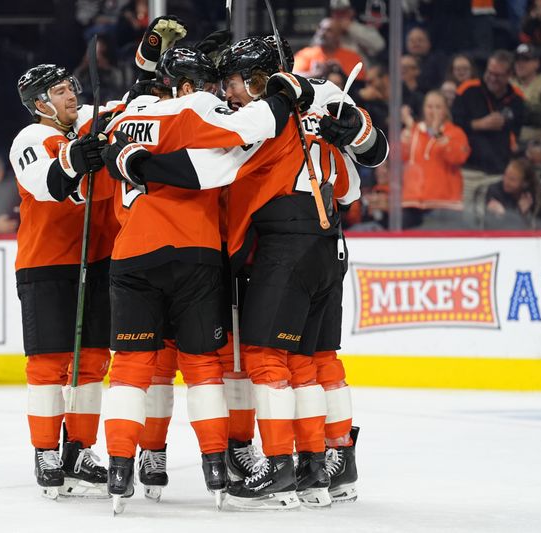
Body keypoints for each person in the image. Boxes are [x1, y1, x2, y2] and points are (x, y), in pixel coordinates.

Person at [103, 36, 388, 509]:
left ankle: (279, 466)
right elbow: (363, 171)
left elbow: (208, 169)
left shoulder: (260, 119)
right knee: (315, 358)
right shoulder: (325, 96)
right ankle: (328, 465)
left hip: (280, 245)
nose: (226, 93)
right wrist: (353, 131)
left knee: (264, 357)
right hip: (329, 241)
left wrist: (133, 163)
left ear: (257, 80)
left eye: (232, 82)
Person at [9, 61, 123, 500]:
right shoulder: (31, 138)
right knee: (49, 364)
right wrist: (78, 156)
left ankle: (78, 450)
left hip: (97, 261)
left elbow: (125, 108)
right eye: (59, 91)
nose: (71, 95)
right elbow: (49, 184)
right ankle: (45, 451)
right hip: (47, 263)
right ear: (40, 104)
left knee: (91, 362)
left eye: (70, 87)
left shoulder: (84, 123)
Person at [452, 49, 525, 221]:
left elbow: (516, 132)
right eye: (489, 72)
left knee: (493, 222)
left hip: (497, 172)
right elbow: (453, 125)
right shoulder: (467, 90)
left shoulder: (517, 99)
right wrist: (478, 124)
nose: (492, 78)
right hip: (469, 170)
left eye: (498, 75)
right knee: (464, 221)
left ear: (509, 75)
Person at [401, 91, 471, 229]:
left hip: (445, 204)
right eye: (429, 107)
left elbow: (459, 158)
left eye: (438, 107)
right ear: (423, 109)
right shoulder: (413, 131)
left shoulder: (455, 133)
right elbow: (398, 159)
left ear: (446, 110)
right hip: (412, 202)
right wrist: (406, 134)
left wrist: (437, 132)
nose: (433, 111)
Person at [293, 17, 365, 81]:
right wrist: (315, 74)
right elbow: (292, 77)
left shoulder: (351, 56)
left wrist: (341, 73)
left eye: (328, 30)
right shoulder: (306, 54)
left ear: (338, 35)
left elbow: (360, 83)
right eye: (320, 29)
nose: (322, 33)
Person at [484, 157, 541, 229]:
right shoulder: (495, 191)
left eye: (512, 179)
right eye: (505, 175)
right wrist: (519, 212)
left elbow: (540, 222)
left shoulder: (533, 194)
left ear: (525, 183)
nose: (506, 181)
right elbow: (499, 224)